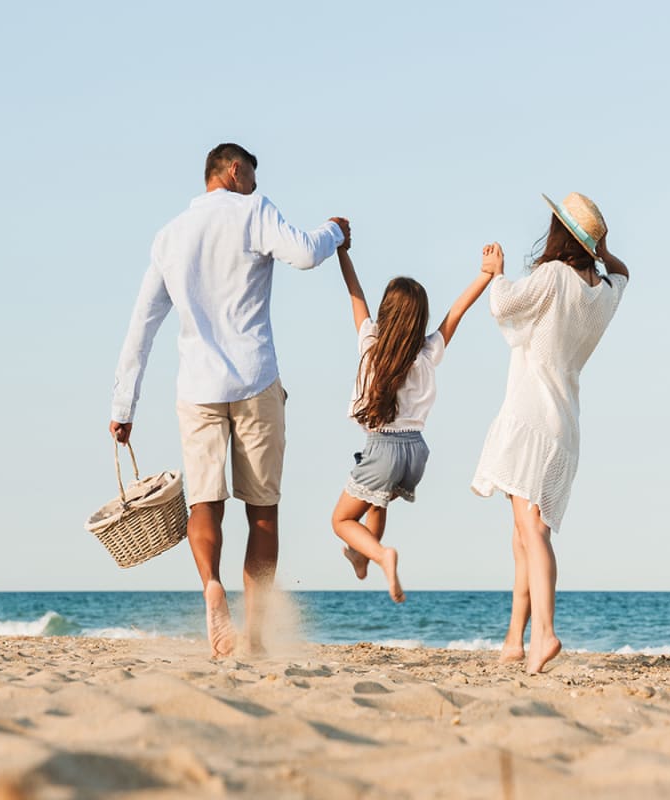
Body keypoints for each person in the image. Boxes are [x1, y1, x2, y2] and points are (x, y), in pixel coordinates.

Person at [109, 142, 350, 657]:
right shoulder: (252, 210)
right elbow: (306, 253)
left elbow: (142, 325)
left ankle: (212, 588)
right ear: (234, 170)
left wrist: (122, 408)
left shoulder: (170, 235)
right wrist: (335, 231)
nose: (256, 188)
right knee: (262, 512)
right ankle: (257, 635)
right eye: (253, 178)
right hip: (255, 380)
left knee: (204, 503)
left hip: (196, 388)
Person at [472, 192, 629, 673]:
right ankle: (515, 640)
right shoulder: (602, 293)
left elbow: (502, 305)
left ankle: (543, 634)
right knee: (523, 533)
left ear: (560, 233)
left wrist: (493, 270)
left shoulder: (553, 277)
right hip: (565, 425)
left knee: (531, 531)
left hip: (530, 416)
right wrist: (603, 255)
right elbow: (625, 273)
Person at [332, 239, 493, 602]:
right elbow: (455, 315)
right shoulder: (426, 352)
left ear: (385, 314)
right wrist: (485, 275)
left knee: (341, 521)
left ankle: (379, 554)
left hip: (383, 449)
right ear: (419, 319)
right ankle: (361, 556)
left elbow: (354, 294)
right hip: (416, 453)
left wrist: (343, 252)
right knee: (377, 502)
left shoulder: (371, 343)